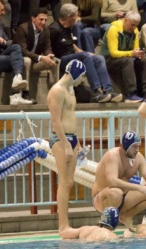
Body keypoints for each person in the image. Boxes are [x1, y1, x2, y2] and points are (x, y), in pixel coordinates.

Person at [49, 3, 122, 103]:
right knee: (85, 56)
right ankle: (96, 91)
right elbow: (47, 47)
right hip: (61, 60)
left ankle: (108, 90)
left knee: (98, 58)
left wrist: (84, 52)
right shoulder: (54, 29)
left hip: (73, 56)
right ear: (69, 17)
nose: (77, 18)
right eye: (76, 15)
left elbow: (71, 45)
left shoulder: (69, 27)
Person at [91, 131, 146, 231]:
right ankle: (106, 226)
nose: (137, 150)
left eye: (138, 146)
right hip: (102, 198)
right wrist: (139, 187)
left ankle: (127, 215)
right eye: (134, 147)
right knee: (116, 192)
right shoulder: (113, 155)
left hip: (123, 197)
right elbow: (112, 182)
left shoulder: (138, 157)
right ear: (125, 146)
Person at [47, 59, 86, 239]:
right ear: (75, 73)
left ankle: (66, 224)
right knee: (64, 182)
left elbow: (71, 118)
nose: (83, 80)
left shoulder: (70, 90)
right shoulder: (57, 91)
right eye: (82, 76)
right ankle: (63, 227)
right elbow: (56, 121)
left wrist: (76, 142)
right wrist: (66, 145)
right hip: (60, 139)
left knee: (69, 182)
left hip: (71, 139)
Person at [100, 11, 146, 103]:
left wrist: (139, 54)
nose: (133, 28)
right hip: (108, 60)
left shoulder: (135, 31)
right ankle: (130, 94)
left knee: (145, 61)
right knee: (128, 61)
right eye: (132, 25)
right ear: (125, 20)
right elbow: (113, 53)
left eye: (136, 25)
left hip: (125, 59)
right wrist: (132, 54)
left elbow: (135, 49)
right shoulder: (113, 29)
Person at [14, 7, 58, 102]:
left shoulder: (45, 29)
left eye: (45, 20)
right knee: (27, 60)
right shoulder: (23, 28)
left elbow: (47, 47)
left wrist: (49, 55)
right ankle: (25, 93)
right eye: (41, 19)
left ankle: (56, 92)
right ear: (33, 18)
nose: (43, 22)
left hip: (35, 62)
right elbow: (23, 51)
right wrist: (41, 57)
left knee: (55, 61)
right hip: (21, 61)